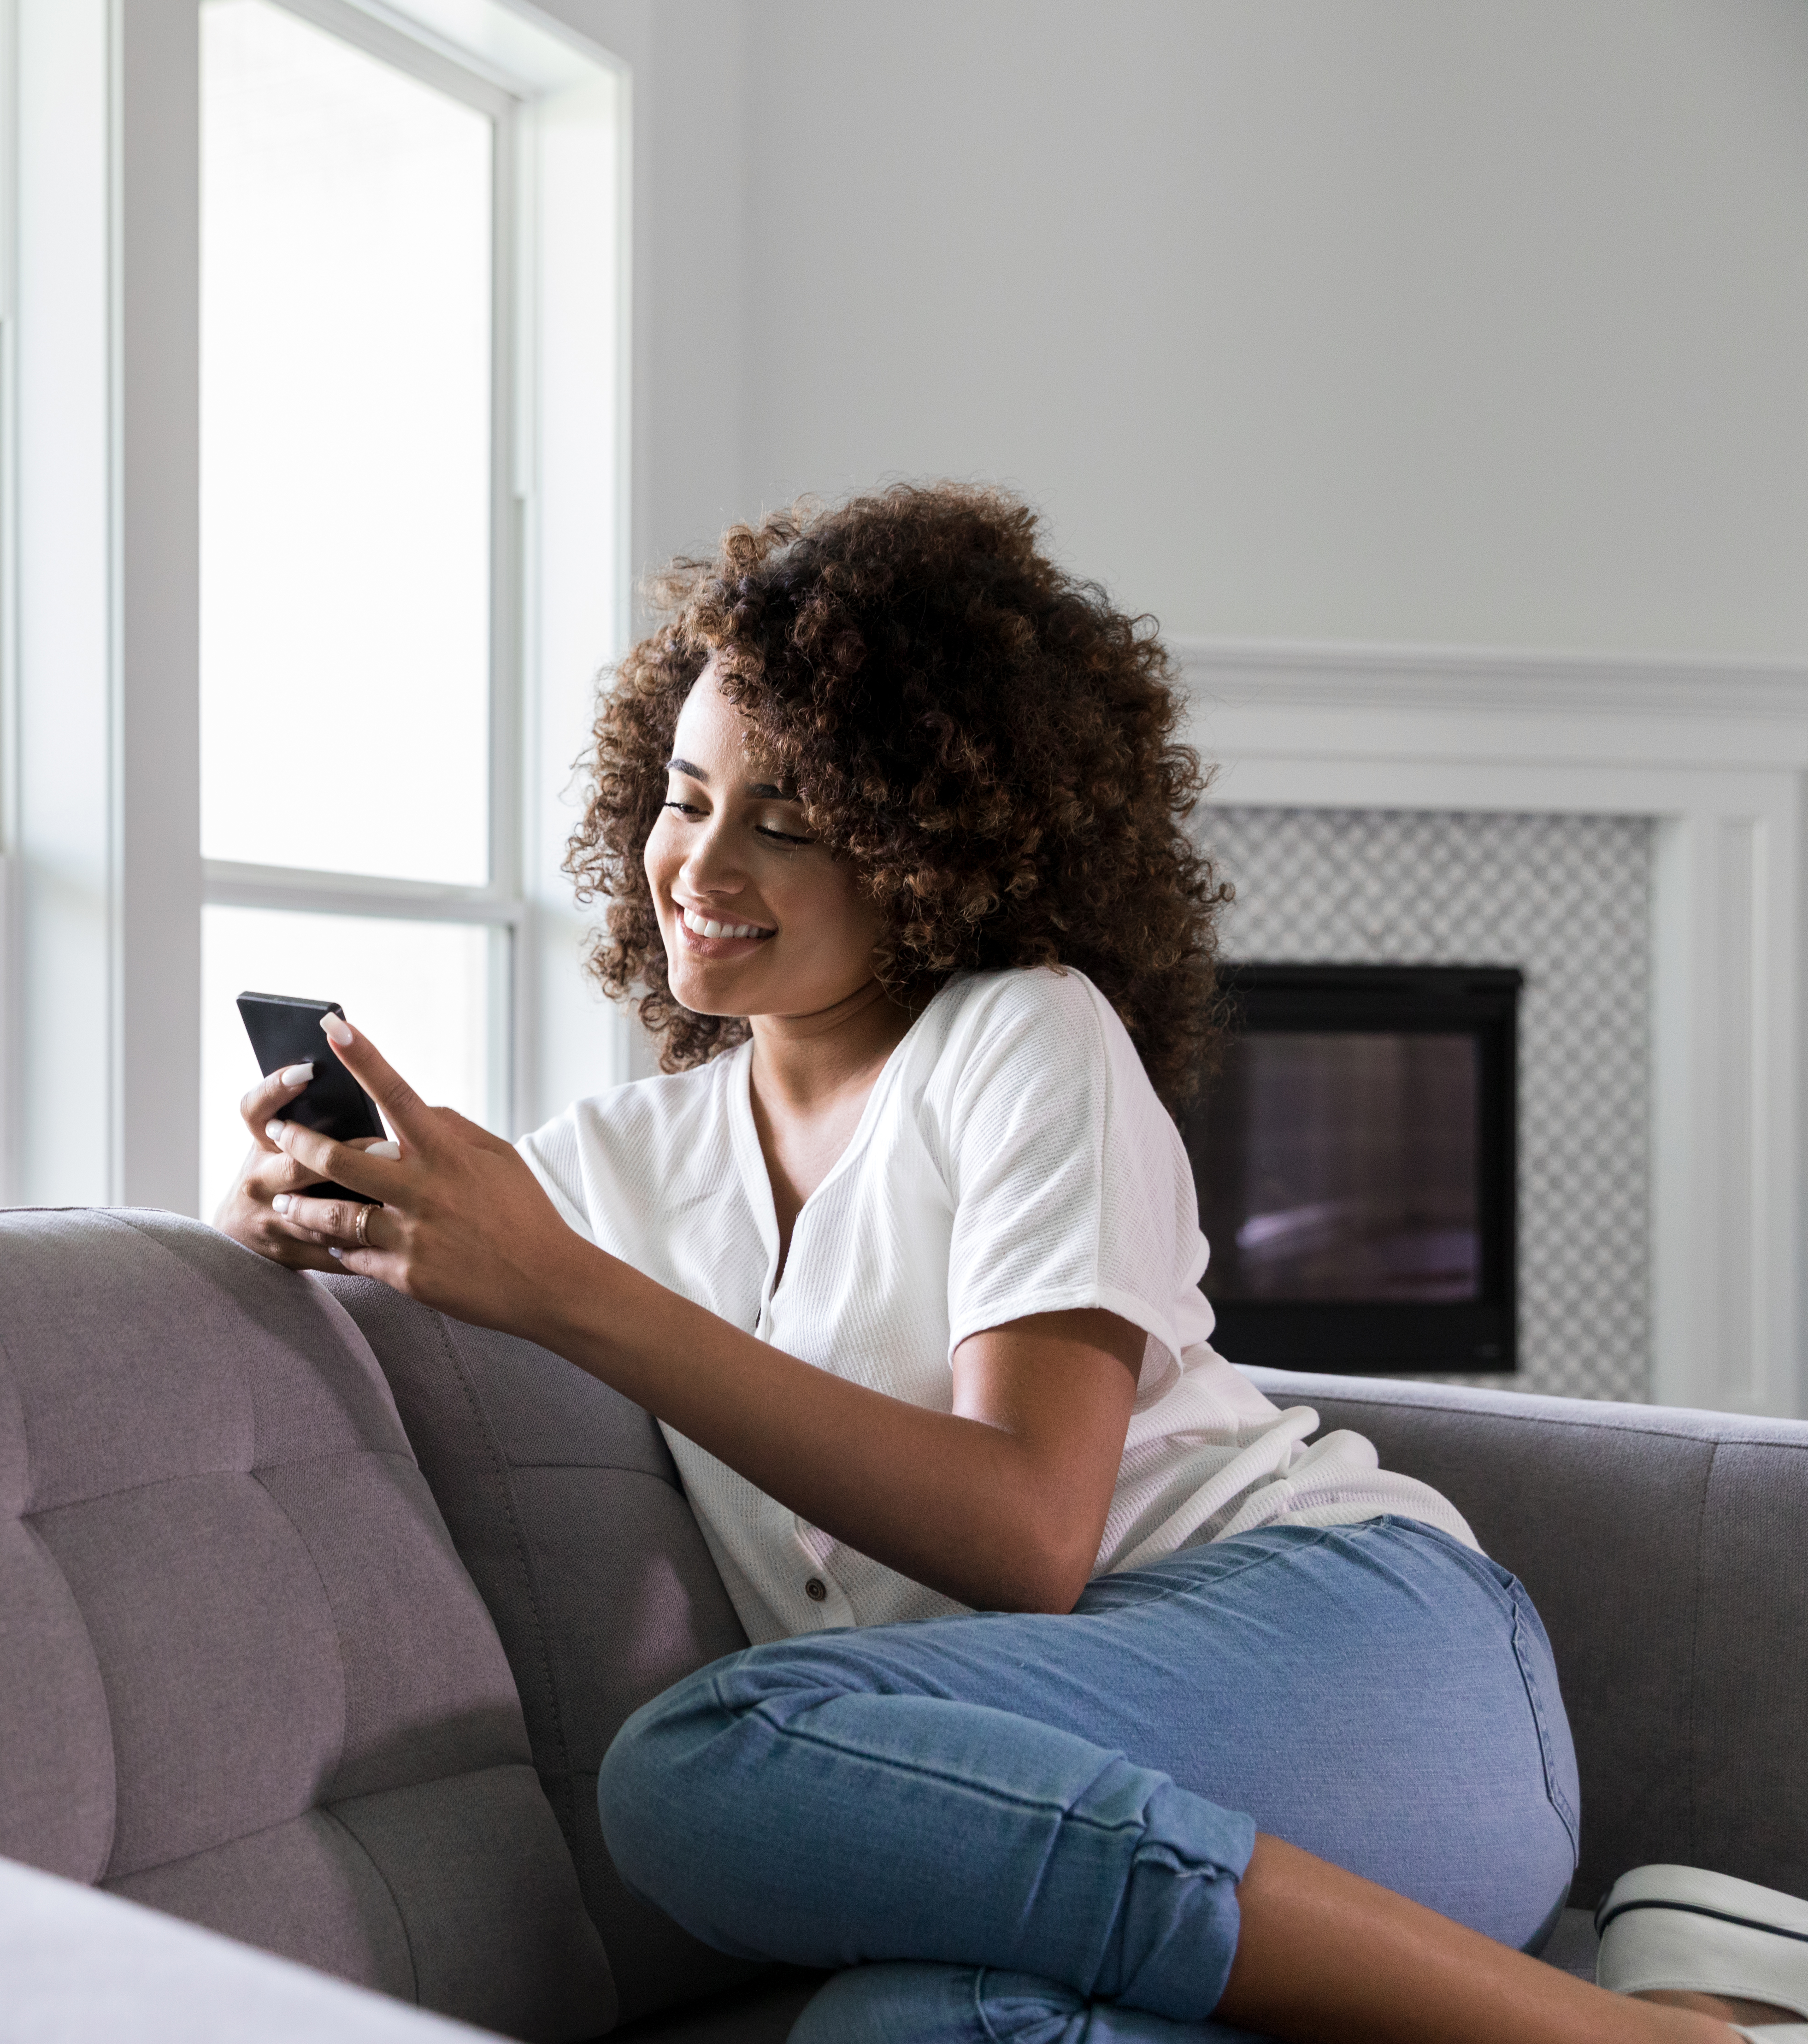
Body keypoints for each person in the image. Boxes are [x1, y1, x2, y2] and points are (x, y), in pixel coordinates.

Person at [213, 484, 1808, 2043]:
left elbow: (1031, 1535)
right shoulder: (611, 1168)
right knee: (904, 2024)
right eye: (687, 795)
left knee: (696, 1763)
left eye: (790, 823)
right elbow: (411, 1265)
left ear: (932, 858)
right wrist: (281, 1207)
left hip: (1372, 1662)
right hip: (1097, 1798)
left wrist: (570, 1289)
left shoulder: (1021, 1033)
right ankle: (1678, 1981)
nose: (701, 867)